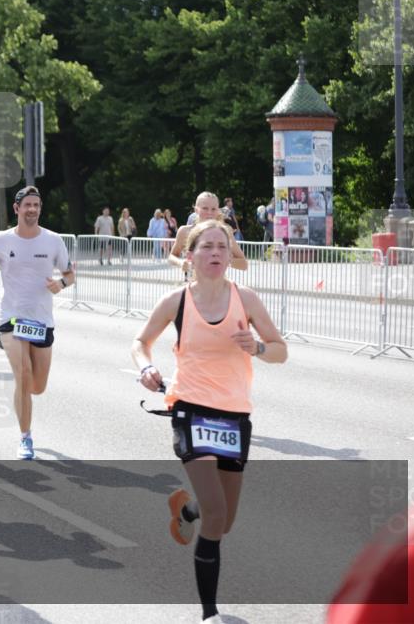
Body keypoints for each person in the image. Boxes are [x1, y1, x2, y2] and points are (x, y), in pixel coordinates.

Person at [132, 219, 287, 623]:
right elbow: (140, 342)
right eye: (207, 247)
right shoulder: (176, 301)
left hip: (235, 414)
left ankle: (186, 512)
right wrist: (145, 368)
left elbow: (281, 350)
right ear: (190, 256)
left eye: (223, 246)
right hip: (190, 409)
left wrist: (257, 347)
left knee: (224, 520)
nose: (216, 253)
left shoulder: (247, 299)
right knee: (217, 513)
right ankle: (209, 613)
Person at [0, 186, 74, 460]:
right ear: (17, 208)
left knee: (37, 386)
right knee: (23, 374)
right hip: (11, 317)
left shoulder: (53, 240)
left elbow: (69, 274)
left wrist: (61, 284)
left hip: (42, 319)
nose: (32, 209)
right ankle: (25, 438)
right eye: (27, 205)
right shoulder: (2, 240)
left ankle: (24, 400)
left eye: (36, 205)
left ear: (40, 209)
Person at [169, 193, 248, 274]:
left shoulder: (225, 232)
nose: (209, 213)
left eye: (213, 209)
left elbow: (244, 264)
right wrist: (181, 263)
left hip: (217, 285)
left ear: (218, 211)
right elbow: (171, 257)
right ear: (196, 210)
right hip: (193, 284)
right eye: (205, 208)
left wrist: (224, 260)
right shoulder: (185, 231)